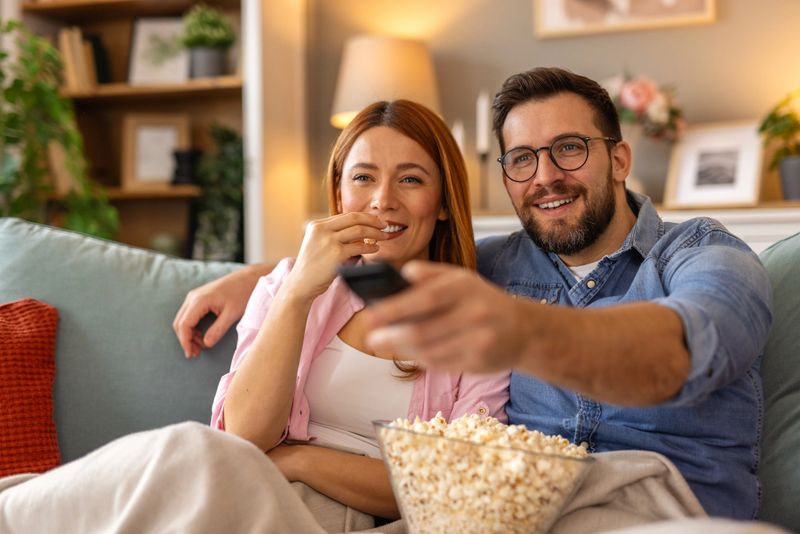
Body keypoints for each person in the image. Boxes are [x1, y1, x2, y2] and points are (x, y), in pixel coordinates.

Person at [173, 68, 774, 524]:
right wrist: (256, 278)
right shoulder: (494, 265)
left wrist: (524, 332)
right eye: (521, 159)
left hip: (664, 510)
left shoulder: (702, 255)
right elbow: (397, 246)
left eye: (569, 148)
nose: (545, 176)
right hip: (535, 520)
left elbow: (683, 350)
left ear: (619, 158)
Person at [0, 100, 507, 533]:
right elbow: (243, 434)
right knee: (188, 454)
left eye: (411, 179)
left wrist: (299, 460)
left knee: (191, 451)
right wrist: (296, 294)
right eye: (363, 178)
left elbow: (449, 486)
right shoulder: (290, 284)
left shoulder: (481, 325)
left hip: (325, 511)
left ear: (442, 202)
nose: (382, 201)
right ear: (338, 195)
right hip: (241, 482)